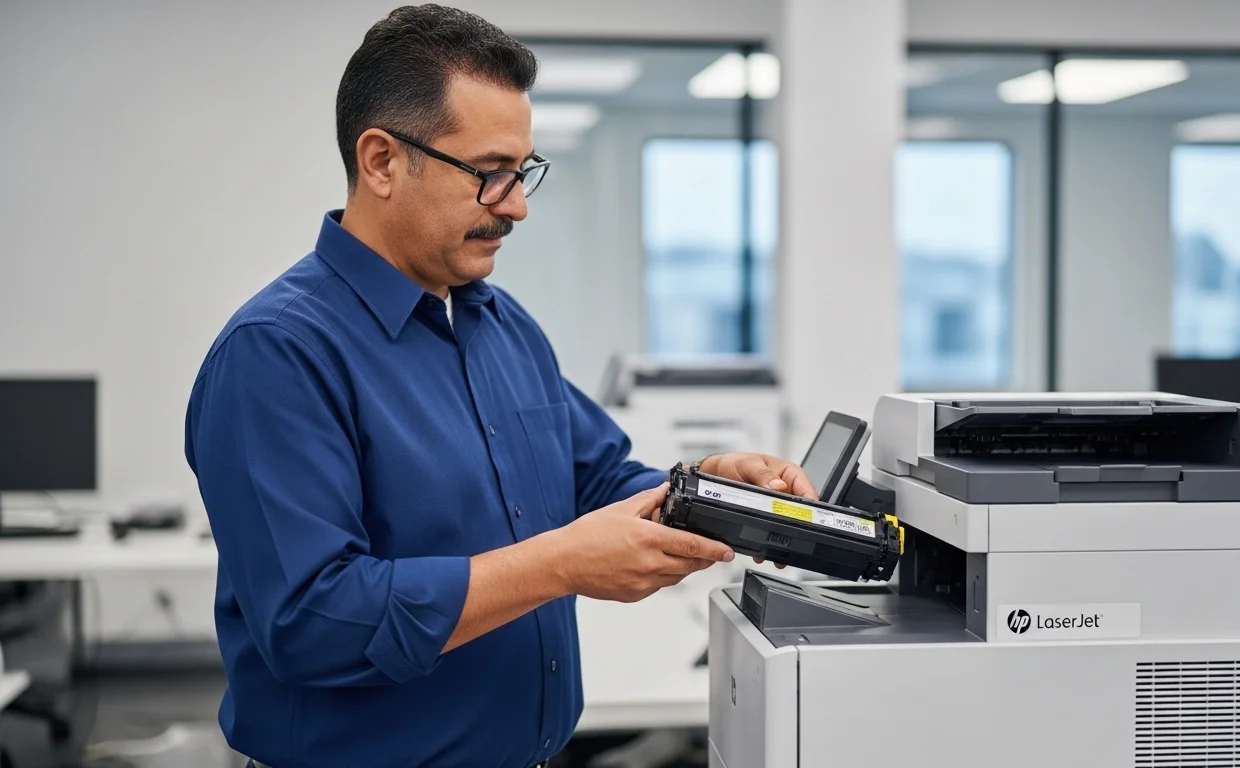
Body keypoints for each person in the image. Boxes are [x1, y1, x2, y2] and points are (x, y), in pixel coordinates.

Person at [183, 5, 813, 768]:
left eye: (524, 173)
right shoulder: (277, 354)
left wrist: (708, 484)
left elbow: (597, 479)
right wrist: (560, 564)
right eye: (489, 174)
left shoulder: (496, 321)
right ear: (381, 161)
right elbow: (313, 622)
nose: (516, 204)